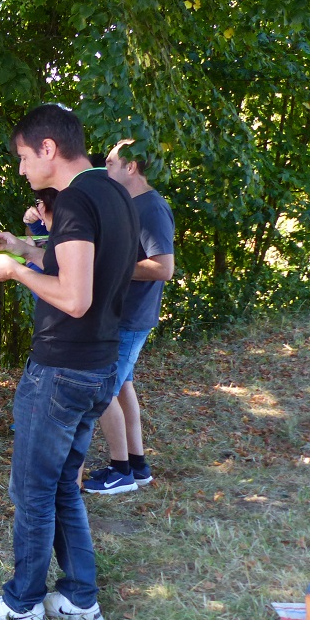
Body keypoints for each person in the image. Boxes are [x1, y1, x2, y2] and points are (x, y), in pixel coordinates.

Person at [0, 105, 138, 620]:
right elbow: (78, 264)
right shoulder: (113, 192)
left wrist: (14, 271)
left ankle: (22, 604)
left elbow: (76, 297)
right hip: (99, 364)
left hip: (62, 367)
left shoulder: (77, 199)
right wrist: (24, 248)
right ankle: (81, 598)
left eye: (22, 157)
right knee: (61, 484)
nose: (21, 169)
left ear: (47, 148)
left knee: (33, 490)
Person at [83, 139, 175, 494]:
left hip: (130, 317)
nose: (104, 168)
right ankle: (137, 465)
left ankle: (120, 472)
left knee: (101, 391)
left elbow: (163, 268)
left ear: (131, 167)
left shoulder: (151, 208)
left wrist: (111, 266)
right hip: (120, 314)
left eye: (110, 163)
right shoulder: (130, 204)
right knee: (121, 387)